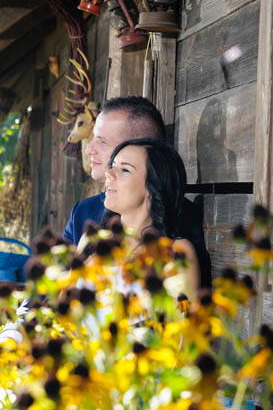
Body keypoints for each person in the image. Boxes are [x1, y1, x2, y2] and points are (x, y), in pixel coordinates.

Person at [62, 96, 212, 287]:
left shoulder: (181, 230)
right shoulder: (84, 214)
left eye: (102, 141)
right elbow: (53, 287)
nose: (89, 149)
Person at [85, 138, 200, 293]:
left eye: (125, 170)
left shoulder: (176, 251)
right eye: (113, 165)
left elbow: (185, 307)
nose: (109, 173)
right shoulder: (92, 240)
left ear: (153, 186)